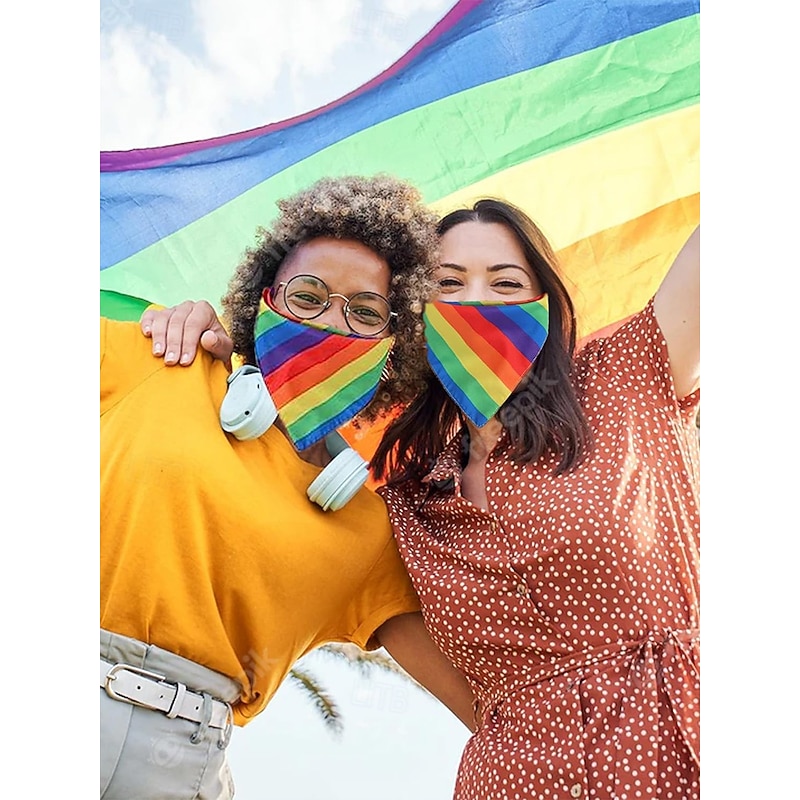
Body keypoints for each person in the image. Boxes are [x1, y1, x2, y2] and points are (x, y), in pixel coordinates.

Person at [146, 198, 700, 799]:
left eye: (506, 283)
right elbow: (253, 477)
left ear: (545, 304)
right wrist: (213, 348)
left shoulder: (624, 375)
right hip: (514, 779)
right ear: (413, 320)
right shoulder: (405, 509)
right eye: (449, 285)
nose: (479, 303)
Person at [100, 174, 477, 800]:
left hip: (180, 762)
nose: (333, 320)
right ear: (262, 301)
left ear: (393, 345)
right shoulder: (160, 357)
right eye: (308, 296)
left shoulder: (370, 528)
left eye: (364, 311)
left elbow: (493, 708)